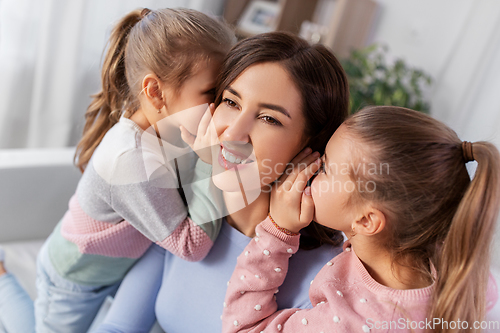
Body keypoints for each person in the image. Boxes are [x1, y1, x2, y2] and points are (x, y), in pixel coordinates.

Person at [94, 31, 350, 332]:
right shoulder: (182, 216)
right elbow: (119, 326)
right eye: (231, 102)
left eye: (269, 119)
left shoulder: (327, 277)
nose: (232, 134)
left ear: (311, 143)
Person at [0, 7, 234, 333]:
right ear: (155, 92)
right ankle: (2, 281)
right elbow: (190, 246)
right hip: (76, 277)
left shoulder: (169, 128)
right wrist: (211, 161)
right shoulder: (129, 158)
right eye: (212, 93)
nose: (221, 106)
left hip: (117, 264)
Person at [222, 106, 500, 333]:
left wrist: (277, 231)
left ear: (367, 221)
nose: (312, 167)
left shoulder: (349, 322)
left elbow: (245, 328)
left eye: (327, 168)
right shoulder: (462, 273)